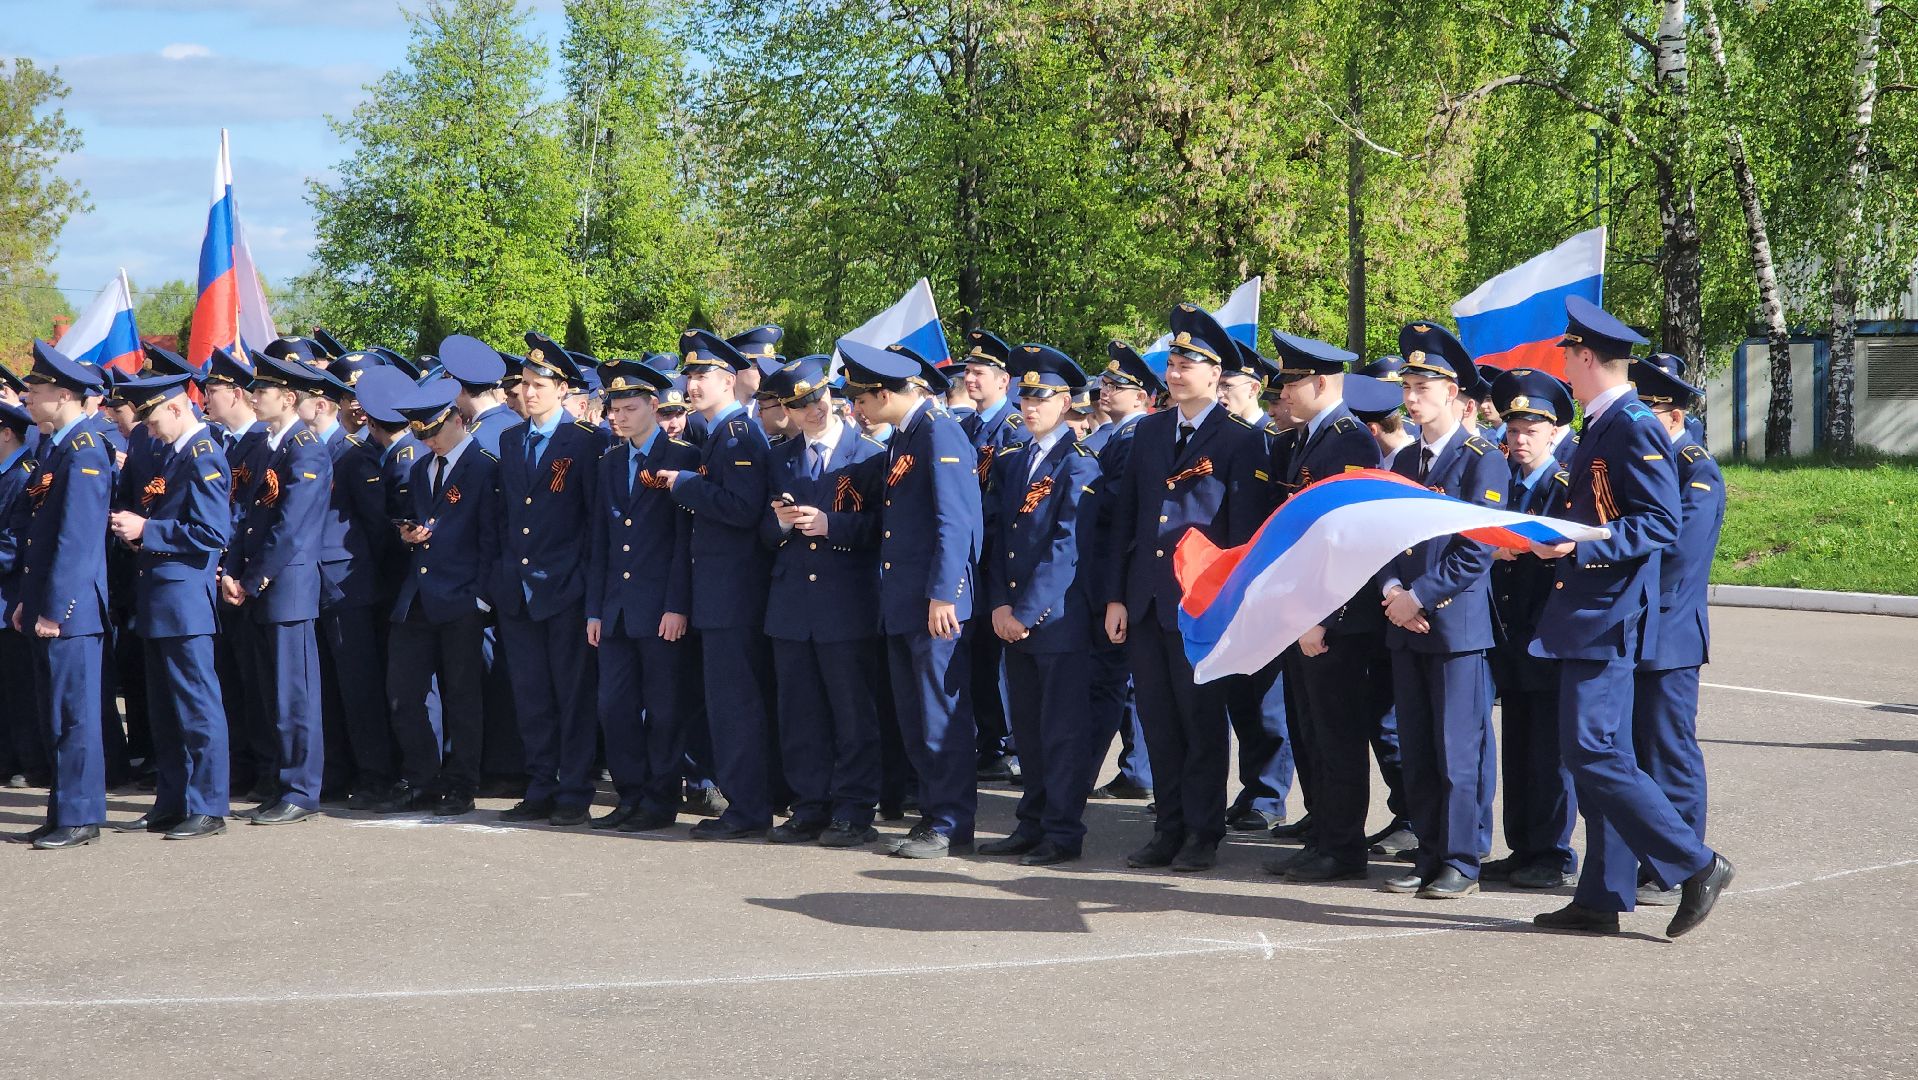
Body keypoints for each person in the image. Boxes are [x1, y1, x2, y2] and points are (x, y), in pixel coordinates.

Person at [1529, 296, 1733, 938]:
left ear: (1586, 357)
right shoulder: (1601, 422)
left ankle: (1695, 863)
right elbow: (1598, 510)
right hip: (1587, 608)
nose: (1563, 364)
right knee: (1597, 751)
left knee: (1593, 749)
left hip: (1608, 612)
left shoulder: (1632, 422)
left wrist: (1583, 546)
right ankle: (1602, 894)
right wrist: (1553, 537)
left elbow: (1659, 521)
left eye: (1568, 355)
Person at [1102, 303, 1270, 872]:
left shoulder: (1240, 440)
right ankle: (1167, 826)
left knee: (1201, 724)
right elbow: (1129, 518)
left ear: (1216, 373)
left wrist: (1230, 605)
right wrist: (1118, 595)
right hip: (1148, 600)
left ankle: (1202, 832)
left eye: (1187, 363)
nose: (1174, 372)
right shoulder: (1149, 432)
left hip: (1201, 604)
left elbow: (1244, 534)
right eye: (1172, 362)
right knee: (1158, 720)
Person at [1377, 320, 1509, 900]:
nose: (1410, 400)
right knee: (1419, 749)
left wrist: (1417, 597)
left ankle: (1462, 859)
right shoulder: (1404, 463)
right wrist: (1390, 594)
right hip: (1406, 624)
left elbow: (1475, 549)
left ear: (1453, 394)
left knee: (1459, 752)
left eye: (1421, 390)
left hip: (1453, 626)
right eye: (1406, 388)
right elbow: (1381, 540)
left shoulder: (1483, 460)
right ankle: (1430, 853)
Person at [838, 339, 983, 858]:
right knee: (916, 717)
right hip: (904, 602)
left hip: (934, 605)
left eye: (860, 399)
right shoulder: (906, 435)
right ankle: (935, 817)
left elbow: (955, 521)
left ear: (883, 393)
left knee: (939, 717)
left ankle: (948, 822)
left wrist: (945, 593)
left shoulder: (937, 431)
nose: (855, 409)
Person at [1261, 334, 1391, 884]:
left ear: (1320, 382)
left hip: (1336, 620)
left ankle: (1343, 848)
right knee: (1312, 730)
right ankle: (1323, 834)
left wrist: (1324, 619)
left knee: (1337, 737)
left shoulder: (1348, 440)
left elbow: (1352, 543)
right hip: (1303, 614)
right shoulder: (1305, 439)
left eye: (1291, 382)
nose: (1284, 393)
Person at [977, 344, 1102, 866]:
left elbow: (1065, 548)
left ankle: (1061, 831)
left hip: (1056, 621)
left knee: (1062, 733)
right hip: (1012, 617)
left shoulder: (1079, 463)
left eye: (1042, 397)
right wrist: (1000, 607)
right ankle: (1030, 823)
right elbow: (997, 536)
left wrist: (1025, 611)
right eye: (1025, 397)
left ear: (1067, 403)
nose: (1030, 407)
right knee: (1026, 729)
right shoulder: (1014, 459)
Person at [759, 356, 889, 847]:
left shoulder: (869, 453)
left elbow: (883, 527)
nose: (813, 410)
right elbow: (763, 530)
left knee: (852, 713)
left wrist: (833, 525)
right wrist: (781, 523)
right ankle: (809, 804)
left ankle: (854, 809)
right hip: (793, 604)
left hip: (846, 601)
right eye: (800, 404)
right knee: (800, 713)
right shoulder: (780, 457)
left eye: (819, 398)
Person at [655, 329, 778, 841]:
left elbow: (743, 509)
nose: (692, 383)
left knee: (737, 705)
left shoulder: (738, 437)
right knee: (725, 703)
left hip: (735, 595)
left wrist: (686, 486)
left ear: (729, 380)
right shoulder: (716, 435)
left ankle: (748, 809)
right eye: (689, 375)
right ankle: (744, 803)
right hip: (718, 595)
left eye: (702, 375)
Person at [106, 374, 233, 840]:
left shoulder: (203, 456)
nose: (150, 430)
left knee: (197, 706)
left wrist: (148, 531)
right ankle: (172, 799)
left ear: (178, 409)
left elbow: (213, 533)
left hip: (184, 602)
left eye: (155, 419)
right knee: (164, 710)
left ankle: (208, 805)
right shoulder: (173, 451)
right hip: (159, 598)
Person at [493, 333, 607, 827]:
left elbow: (593, 521)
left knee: (572, 695)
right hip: (518, 588)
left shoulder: (585, 441)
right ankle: (540, 784)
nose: (529, 392)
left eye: (540, 384)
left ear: (563, 389)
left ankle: (575, 790)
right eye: (525, 383)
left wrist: (583, 582)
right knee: (532, 695)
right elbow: (508, 516)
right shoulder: (511, 439)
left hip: (565, 588)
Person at [1625, 351, 1726, 907]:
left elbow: (1677, 559)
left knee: (1669, 750)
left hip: (1668, 634)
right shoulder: (1651, 465)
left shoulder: (1694, 469)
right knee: (1637, 751)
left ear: (1672, 415)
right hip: (1635, 630)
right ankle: (1657, 856)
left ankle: (1687, 858)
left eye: (1647, 409)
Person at [586, 360, 700, 832]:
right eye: (614, 409)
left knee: (665, 707)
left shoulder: (682, 457)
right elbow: (601, 542)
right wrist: (594, 609)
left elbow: (683, 542)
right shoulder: (610, 461)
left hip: (659, 608)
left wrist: (677, 605)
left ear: (654, 406)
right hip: (615, 609)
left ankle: (660, 799)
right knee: (614, 707)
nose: (619, 417)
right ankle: (630, 794)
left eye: (629, 408)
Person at [377, 378, 500, 817]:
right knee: (403, 693)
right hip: (419, 596)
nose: (427, 441)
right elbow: (422, 519)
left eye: (433, 432)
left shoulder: (484, 466)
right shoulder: (420, 468)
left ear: (455, 418)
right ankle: (422, 778)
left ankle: (462, 783)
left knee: (463, 696)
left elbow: (492, 539)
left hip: (462, 597)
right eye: (420, 435)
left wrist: (482, 599)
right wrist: (408, 534)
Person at [8, 342, 113, 849]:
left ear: (65, 394)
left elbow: (78, 539)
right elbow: (37, 537)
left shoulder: (87, 449)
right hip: (48, 601)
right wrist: (29, 598)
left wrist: (56, 607)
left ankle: (81, 815)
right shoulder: (55, 447)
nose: (28, 399)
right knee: (55, 713)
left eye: (37, 390)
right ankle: (62, 810)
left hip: (73, 608)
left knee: (75, 714)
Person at [224, 351, 333, 826]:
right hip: (263, 584)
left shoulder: (305, 446)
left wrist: (253, 579)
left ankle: (301, 789)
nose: (253, 397)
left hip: (285, 585)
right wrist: (234, 569)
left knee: (295, 694)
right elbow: (250, 519)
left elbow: (290, 527)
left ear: (288, 397)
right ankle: (281, 780)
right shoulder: (271, 444)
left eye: (262, 391)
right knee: (272, 693)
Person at [1481, 367, 1578, 890]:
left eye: (1529, 432)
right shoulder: (1502, 483)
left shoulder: (1564, 487)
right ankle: (1522, 846)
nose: (1517, 441)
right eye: (1512, 431)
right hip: (1510, 633)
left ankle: (1553, 852)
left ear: (1552, 433)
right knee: (1516, 745)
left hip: (1549, 634)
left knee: (1549, 751)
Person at [302, 357, 396, 806]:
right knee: (326, 688)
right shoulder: (307, 449)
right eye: (347, 396)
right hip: (313, 586)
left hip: (349, 586)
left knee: (359, 688)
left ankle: (375, 775)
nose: (356, 406)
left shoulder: (353, 455)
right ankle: (335, 773)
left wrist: (367, 581)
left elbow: (376, 528)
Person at [1084, 341, 1155, 802]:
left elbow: (1113, 508)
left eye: (1118, 385)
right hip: (1104, 574)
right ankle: (1134, 769)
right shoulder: (1112, 437)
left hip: (1122, 575)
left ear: (1142, 396)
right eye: (1105, 383)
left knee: (1118, 680)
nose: (1106, 390)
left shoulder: (1133, 439)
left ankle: (1130, 770)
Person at [958, 330, 1026, 783]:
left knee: (999, 659)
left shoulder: (1014, 429)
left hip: (998, 554)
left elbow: (1007, 500)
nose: (970, 378)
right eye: (968, 371)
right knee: (978, 658)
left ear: (1004, 381)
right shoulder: (965, 427)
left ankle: (1006, 744)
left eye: (979, 372)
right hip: (971, 556)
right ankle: (988, 740)